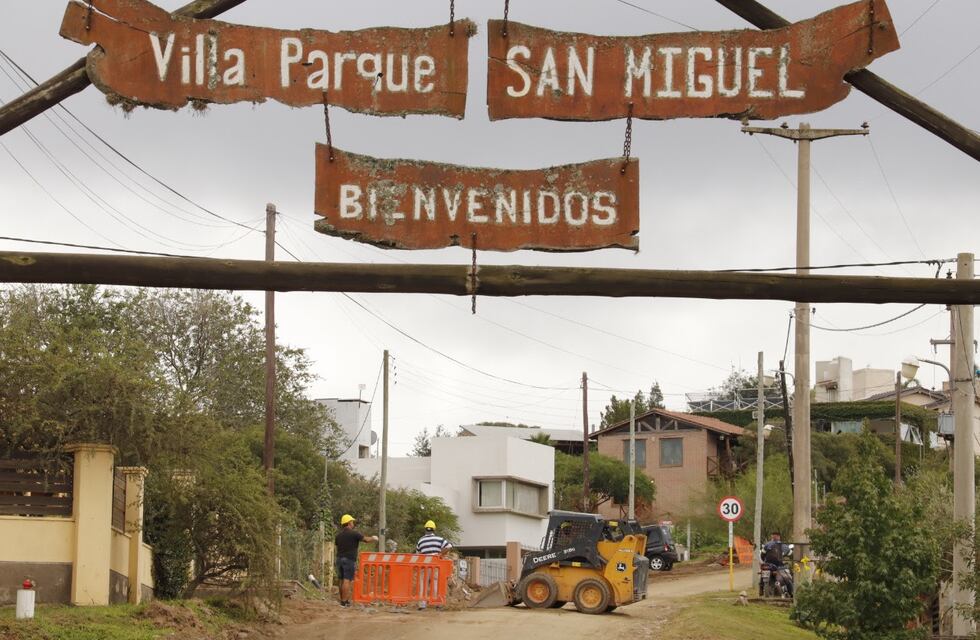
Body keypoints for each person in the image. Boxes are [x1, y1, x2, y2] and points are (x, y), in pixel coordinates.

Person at [335, 514, 378, 607]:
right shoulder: (354, 533)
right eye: (352, 522)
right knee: (347, 580)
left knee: (341, 579)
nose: (353, 523)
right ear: (349, 523)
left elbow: (337, 546)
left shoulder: (338, 535)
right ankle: (344, 602)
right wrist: (374, 538)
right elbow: (366, 540)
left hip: (339, 559)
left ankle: (343, 600)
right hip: (349, 559)